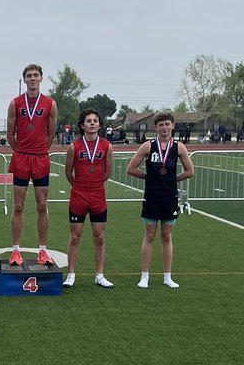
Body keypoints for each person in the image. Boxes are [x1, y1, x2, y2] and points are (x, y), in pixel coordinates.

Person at [126, 110, 194, 289]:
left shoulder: (179, 147)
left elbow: (190, 171)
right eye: (161, 125)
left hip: (170, 196)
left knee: (166, 236)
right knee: (149, 235)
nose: (164, 127)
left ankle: (167, 276)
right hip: (152, 196)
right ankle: (145, 276)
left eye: (167, 124)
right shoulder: (147, 146)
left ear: (173, 125)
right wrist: (148, 177)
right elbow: (131, 168)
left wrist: (173, 179)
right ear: (156, 127)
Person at [6, 63, 58, 267]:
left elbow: (51, 134)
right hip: (21, 157)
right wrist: (21, 150)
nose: (33, 78)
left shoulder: (50, 104)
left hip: (40, 158)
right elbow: (10, 135)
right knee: (18, 206)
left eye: (36, 75)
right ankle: (15, 251)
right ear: (25, 79)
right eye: (29, 75)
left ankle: (43, 251)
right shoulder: (15, 103)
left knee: (42, 205)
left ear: (41, 78)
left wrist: (40, 150)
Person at [64, 108, 113, 289]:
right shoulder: (74, 147)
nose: (92, 123)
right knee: (75, 236)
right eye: (88, 121)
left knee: (99, 237)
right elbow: (68, 172)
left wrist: (94, 184)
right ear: (82, 125)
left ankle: (99, 275)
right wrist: (80, 186)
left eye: (95, 121)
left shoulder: (107, 146)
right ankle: (71, 274)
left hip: (98, 195)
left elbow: (107, 172)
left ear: (99, 125)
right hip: (79, 195)